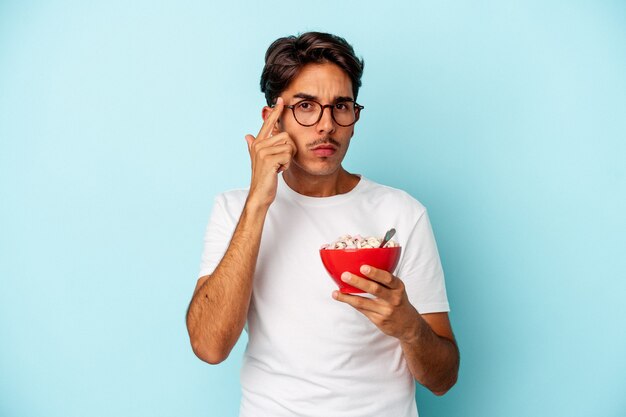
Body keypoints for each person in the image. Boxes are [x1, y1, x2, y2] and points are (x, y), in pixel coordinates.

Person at [186, 31, 459, 417]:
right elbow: (209, 347)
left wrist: (409, 327)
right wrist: (259, 201)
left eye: (341, 106)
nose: (326, 125)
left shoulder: (401, 214)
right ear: (273, 120)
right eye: (306, 106)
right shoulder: (235, 209)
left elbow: (444, 379)